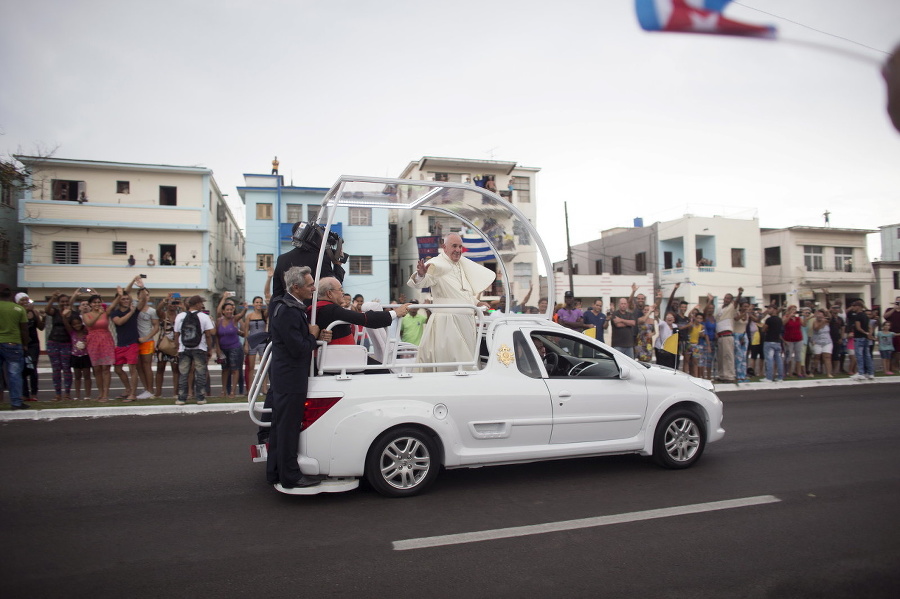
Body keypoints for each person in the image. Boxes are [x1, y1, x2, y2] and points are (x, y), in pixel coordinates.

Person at [266, 266, 323, 489]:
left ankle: (275, 471)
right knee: (288, 429)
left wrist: (313, 335)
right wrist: (312, 335)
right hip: (290, 378)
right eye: (310, 285)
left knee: (280, 427)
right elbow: (299, 348)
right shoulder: (289, 310)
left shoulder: (283, 305)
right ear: (296, 287)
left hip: (284, 376)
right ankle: (290, 476)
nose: (314, 288)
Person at [407, 233, 494, 369]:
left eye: (460, 246)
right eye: (454, 246)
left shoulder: (460, 265)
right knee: (454, 364)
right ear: (444, 247)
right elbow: (423, 281)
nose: (458, 250)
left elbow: (463, 293)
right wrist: (421, 274)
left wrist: (477, 303)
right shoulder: (436, 264)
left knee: (468, 361)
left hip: (466, 322)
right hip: (447, 323)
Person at [272, 221, 345, 299]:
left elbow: (277, 294)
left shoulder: (282, 259)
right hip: (313, 309)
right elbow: (333, 286)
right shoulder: (320, 258)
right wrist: (337, 265)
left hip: (289, 308)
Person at [173, 295, 216, 405]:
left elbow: (177, 334)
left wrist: (177, 347)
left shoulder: (180, 316)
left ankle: (181, 398)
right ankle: (200, 397)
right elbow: (209, 334)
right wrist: (209, 349)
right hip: (199, 348)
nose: (202, 305)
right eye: (201, 303)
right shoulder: (204, 316)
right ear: (197, 304)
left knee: (183, 373)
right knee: (200, 373)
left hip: (184, 348)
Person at [110, 283, 147, 401]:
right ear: (118, 300)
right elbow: (119, 322)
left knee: (132, 369)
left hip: (132, 343)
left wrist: (141, 287)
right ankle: (127, 389)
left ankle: (133, 393)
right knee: (117, 369)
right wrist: (130, 312)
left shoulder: (135, 310)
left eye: (127, 298)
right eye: (123, 299)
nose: (126, 300)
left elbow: (144, 300)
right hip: (120, 344)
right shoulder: (115, 313)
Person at [82, 293, 117, 401]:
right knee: (96, 369)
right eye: (94, 302)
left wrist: (119, 295)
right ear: (90, 304)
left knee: (106, 368)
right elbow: (90, 324)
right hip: (93, 341)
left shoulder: (105, 313)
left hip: (105, 339)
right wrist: (98, 314)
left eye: (98, 302)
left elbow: (113, 304)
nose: (97, 304)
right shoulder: (86, 314)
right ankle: (100, 393)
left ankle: (106, 393)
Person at [0, 284, 29, 409]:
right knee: (14, 374)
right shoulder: (18, 309)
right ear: (11, 295)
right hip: (13, 344)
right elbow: (24, 329)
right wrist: (25, 344)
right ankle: (16, 402)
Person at [44, 291, 75, 401]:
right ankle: (57, 394)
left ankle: (67, 394)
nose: (64, 303)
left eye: (66, 301)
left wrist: (65, 317)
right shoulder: (55, 312)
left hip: (66, 343)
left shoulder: (72, 313)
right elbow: (47, 310)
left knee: (66, 369)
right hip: (53, 342)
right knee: (56, 369)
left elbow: (71, 330)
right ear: (58, 303)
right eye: (62, 302)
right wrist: (52, 298)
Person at [16, 293, 44, 401]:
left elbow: (41, 327)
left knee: (32, 368)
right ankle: (24, 393)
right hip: (21, 343)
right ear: (18, 302)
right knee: (22, 369)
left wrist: (43, 317)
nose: (25, 302)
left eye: (26, 300)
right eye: (22, 300)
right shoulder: (17, 313)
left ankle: (34, 393)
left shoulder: (34, 312)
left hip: (33, 344)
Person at [215, 296, 244, 398]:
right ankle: (223, 391)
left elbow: (241, 314)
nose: (229, 311)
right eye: (227, 310)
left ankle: (233, 392)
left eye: (231, 310)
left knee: (235, 369)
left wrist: (244, 308)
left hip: (234, 347)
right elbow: (217, 336)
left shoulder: (235, 319)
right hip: (223, 348)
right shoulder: (219, 321)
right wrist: (218, 349)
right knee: (225, 369)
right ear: (223, 311)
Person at [135, 287, 159, 399]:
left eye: (147, 294)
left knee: (146, 365)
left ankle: (150, 389)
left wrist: (147, 337)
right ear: (137, 296)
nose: (145, 296)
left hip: (147, 341)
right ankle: (146, 389)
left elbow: (156, 327)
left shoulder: (152, 311)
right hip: (135, 341)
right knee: (138, 366)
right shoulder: (134, 308)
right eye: (142, 294)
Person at [713, 288, 742, 383]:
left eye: (728, 298)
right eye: (725, 298)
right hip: (719, 336)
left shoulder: (731, 307)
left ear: (731, 300)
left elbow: (736, 302)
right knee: (721, 357)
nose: (726, 300)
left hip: (727, 335)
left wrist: (739, 293)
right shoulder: (719, 309)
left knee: (728, 356)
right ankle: (722, 375)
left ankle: (730, 376)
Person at [155, 296, 181, 397]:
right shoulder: (163, 315)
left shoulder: (179, 316)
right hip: (163, 344)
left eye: (175, 303)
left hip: (175, 344)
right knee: (160, 368)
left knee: (175, 369)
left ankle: (175, 393)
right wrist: (165, 300)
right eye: (171, 303)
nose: (173, 305)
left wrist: (181, 305)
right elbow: (158, 310)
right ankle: (158, 393)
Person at [848, 300, 875, 381]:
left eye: (855, 306)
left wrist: (865, 333)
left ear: (858, 307)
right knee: (867, 355)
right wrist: (869, 334)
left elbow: (858, 327)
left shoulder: (858, 316)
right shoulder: (866, 316)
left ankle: (861, 373)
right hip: (865, 338)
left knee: (859, 356)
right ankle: (870, 373)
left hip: (859, 337)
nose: (853, 308)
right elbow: (870, 326)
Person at [760, 304, 784, 383]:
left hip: (769, 341)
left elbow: (763, 329)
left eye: (770, 308)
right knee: (778, 360)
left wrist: (765, 328)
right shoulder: (779, 320)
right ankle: (780, 377)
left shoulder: (769, 320)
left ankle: (769, 377)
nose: (768, 310)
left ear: (774, 309)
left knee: (769, 360)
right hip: (777, 341)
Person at [810, 309, 834, 378]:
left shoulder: (827, 321)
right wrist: (822, 322)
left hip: (827, 341)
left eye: (821, 315)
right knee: (816, 357)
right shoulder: (815, 322)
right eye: (818, 315)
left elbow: (831, 318)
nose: (820, 317)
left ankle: (829, 373)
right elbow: (816, 329)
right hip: (817, 342)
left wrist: (827, 312)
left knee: (827, 357)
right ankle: (812, 372)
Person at [884, 296, 900, 373]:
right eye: (897, 302)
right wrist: (894, 308)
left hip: (898, 334)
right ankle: (889, 367)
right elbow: (885, 316)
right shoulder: (890, 310)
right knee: (889, 351)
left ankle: (896, 366)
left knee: (898, 351)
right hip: (889, 334)